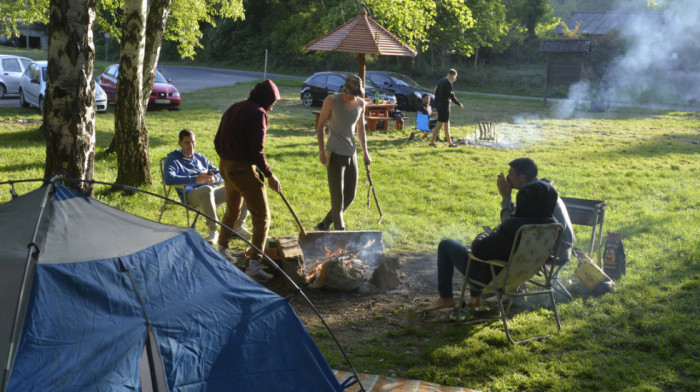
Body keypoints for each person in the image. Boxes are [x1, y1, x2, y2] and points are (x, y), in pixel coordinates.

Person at [423, 181, 560, 312]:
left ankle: (445, 297)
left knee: (446, 244)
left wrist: (483, 235)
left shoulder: (515, 226)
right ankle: (475, 297)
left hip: (493, 279)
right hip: (521, 275)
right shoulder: (553, 226)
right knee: (482, 253)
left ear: (523, 201)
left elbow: (478, 250)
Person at [214, 80, 282, 283]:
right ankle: (254, 266)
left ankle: (222, 250)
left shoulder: (235, 107)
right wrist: (269, 175)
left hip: (225, 166)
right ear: (266, 98)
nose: (273, 105)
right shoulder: (258, 113)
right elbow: (257, 151)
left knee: (232, 211)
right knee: (262, 217)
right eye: (273, 101)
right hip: (242, 169)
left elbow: (217, 141)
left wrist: (228, 160)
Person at [163, 129, 251, 244]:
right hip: (190, 195)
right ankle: (214, 230)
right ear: (179, 143)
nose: (191, 146)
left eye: (193, 142)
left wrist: (215, 179)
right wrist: (195, 179)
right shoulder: (173, 159)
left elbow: (219, 172)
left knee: (240, 187)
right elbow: (168, 179)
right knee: (206, 189)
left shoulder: (200, 158)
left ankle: (237, 226)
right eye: (187, 143)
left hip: (209, 194)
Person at [314, 74, 372, 231]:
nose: (352, 97)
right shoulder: (332, 101)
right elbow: (320, 126)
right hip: (334, 153)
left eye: (355, 94)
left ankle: (325, 224)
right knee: (337, 199)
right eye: (350, 93)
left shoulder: (360, 103)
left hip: (351, 154)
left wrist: (365, 153)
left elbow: (360, 129)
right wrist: (321, 150)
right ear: (345, 89)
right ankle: (340, 232)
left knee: (350, 196)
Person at [498, 157, 575, 265]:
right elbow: (515, 219)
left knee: (496, 247)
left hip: (552, 252)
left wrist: (506, 198)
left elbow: (509, 228)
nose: (507, 178)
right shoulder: (543, 189)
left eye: (511, 174)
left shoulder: (533, 195)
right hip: (561, 248)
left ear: (522, 177)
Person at [430, 69, 463, 148]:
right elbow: (451, 95)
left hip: (440, 105)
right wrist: (459, 103)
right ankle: (432, 142)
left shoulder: (441, 81)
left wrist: (437, 104)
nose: (454, 79)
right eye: (455, 78)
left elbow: (435, 91)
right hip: (444, 106)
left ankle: (450, 143)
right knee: (439, 125)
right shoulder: (448, 82)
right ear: (453, 75)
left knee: (446, 125)